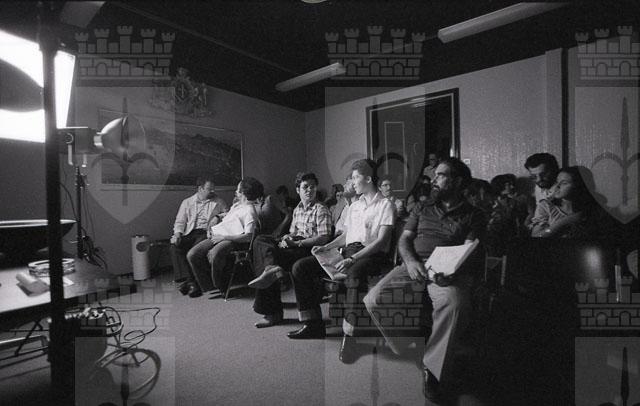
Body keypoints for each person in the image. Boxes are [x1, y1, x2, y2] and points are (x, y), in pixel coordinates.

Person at [364, 157, 486, 402]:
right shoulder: (422, 207)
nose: (434, 180)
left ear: (457, 181)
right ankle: (415, 345)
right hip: (414, 265)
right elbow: (404, 239)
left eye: (440, 175)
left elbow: (469, 249)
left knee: (454, 304)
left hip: (448, 271)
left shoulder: (473, 215)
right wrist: (410, 262)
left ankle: (433, 368)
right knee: (374, 299)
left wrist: (451, 270)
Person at [287, 159, 395, 363]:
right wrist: (326, 248)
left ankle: (352, 337)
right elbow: (347, 236)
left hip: (371, 255)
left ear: (368, 178)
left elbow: (381, 242)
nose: (352, 182)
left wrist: (352, 258)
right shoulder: (355, 206)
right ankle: (312, 324)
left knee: (353, 275)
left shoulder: (385, 205)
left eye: (355, 177)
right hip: (349, 251)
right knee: (300, 267)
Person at [247, 172, 332, 328]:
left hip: (309, 249)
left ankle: (272, 313)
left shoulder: (321, 209)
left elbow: (323, 238)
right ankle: (271, 270)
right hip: (295, 244)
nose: (309, 190)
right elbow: (294, 231)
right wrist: (287, 238)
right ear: (298, 190)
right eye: (305, 187)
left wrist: (297, 243)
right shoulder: (298, 209)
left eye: (312, 187)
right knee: (261, 241)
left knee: (270, 258)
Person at [186, 177, 263, 298]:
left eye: (237, 189)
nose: (235, 191)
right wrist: (215, 221)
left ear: (243, 192)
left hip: (235, 240)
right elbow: (228, 218)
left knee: (214, 254)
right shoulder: (237, 205)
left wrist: (224, 237)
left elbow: (248, 237)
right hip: (220, 234)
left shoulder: (250, 211)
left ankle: (220, 285)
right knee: (192, 254)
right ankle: (208, 285)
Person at [170, 177, 228, 296]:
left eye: (213, 189)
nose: (213, 191)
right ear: (200, 189)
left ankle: (193, 283)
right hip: (190, 232)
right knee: (175, 246)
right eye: (209, 189)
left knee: (194, 249)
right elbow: (180, 221)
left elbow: (228, 215)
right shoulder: (187, 202)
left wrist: (217, 217)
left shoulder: (219, 201)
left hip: (207, 232)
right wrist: (177, 234)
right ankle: (192, 280)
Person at [531, 166, 600, 238]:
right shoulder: (546, 206)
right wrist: (564, 221)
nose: (557, 186)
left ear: (578, 186)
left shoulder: (593, 208)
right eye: (556, 181)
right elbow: (536, 236)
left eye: (564, 183)